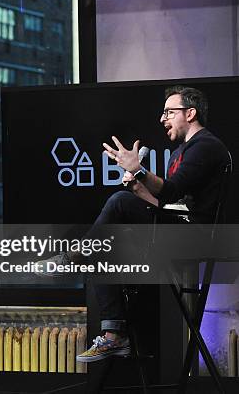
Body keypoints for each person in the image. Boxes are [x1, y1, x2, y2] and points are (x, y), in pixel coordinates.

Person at [39, 86, 230, 362]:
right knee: (105, 245)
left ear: (190, 113)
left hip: (198, 237)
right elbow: (164, 205)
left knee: (117, 202)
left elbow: (171, 191)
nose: (162, 119)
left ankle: (72, 257)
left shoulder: (206, 146)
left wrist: (139, 170)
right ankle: (114, 334)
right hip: (177, 230)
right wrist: (139, 187)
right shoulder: (179, 153)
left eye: (169, 112)